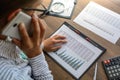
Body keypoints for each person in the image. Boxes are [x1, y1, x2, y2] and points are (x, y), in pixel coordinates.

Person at [0, 9, 67, 80]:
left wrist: (40, 45)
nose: (36, 15)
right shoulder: (10, 76)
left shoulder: (5, 34)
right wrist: (36, 54)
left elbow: (17, 53)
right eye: (35, 10)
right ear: (14, 15)